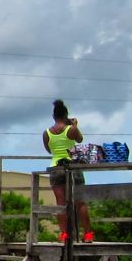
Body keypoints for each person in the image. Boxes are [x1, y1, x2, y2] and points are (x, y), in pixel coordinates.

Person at [43, 99, 94, 243]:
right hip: (73, 166)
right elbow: (79, 139)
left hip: (56, 167)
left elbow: (49, 150)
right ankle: (88, 234)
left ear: (53, 116)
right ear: (66, 115)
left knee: (60, 203)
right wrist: (75, 125)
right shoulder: (71, 129)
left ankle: (64, 235)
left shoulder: (46, 133)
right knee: (80, 202)